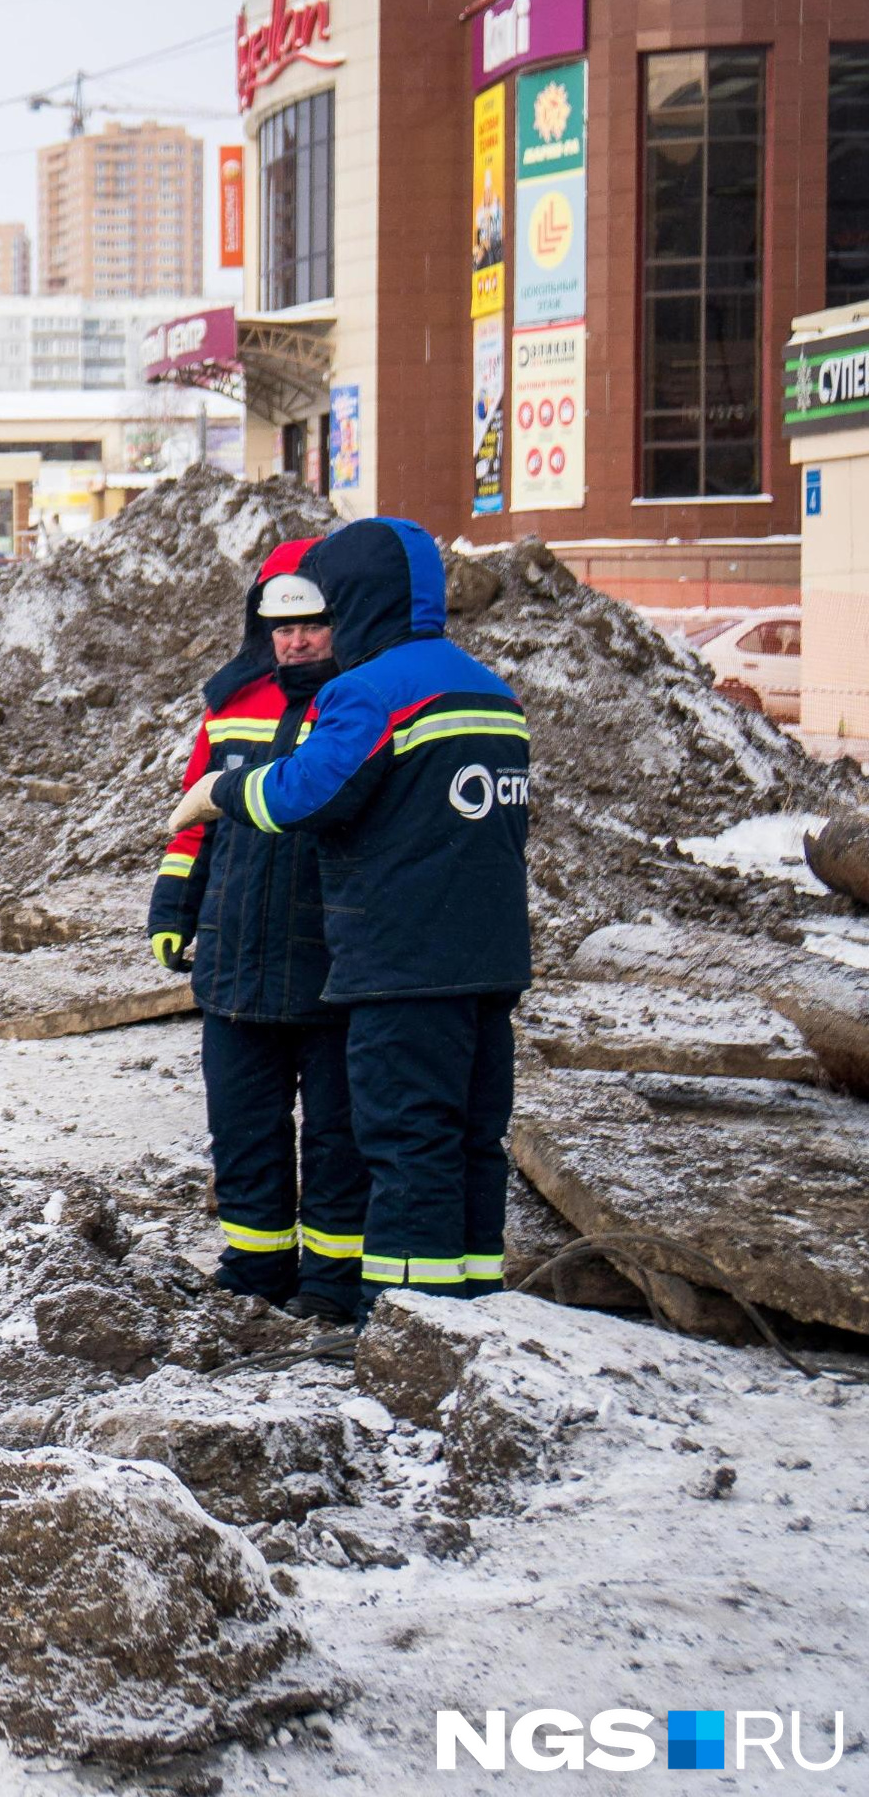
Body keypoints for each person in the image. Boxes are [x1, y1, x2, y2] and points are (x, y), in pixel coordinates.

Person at [167, 517, 531, 1304]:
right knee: (471, 1143)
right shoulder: (487, 689)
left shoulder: (368, 691)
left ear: (359, 598)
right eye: (285, 623)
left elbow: (309, 791)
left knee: (404, 1146)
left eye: (320, 611)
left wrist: (217, 793)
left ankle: (406, 1318)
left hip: (400, 965)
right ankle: (477, 1312)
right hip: (487, 959)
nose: (299, 637)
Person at [149, 538, 370, 1323]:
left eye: (312, 625)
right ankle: (255, 1271)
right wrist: (173, 908)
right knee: (243, 1133)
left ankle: (334, 1286)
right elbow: (194, 821)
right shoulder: (233, 707)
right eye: (282, 628)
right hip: (238, 961)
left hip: (333, 967)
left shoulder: (364, 707)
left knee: (340, 1142)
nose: (296, 641)